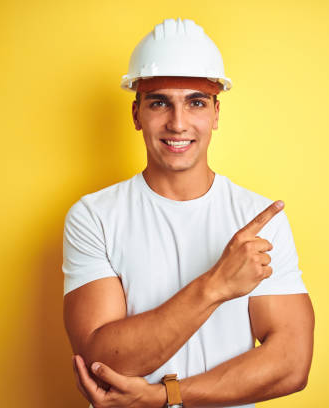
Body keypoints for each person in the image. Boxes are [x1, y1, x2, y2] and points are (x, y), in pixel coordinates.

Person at [63, 18, 315, 408]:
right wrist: (216, 285)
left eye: (195, 102)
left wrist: (167, 397)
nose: (177, 123)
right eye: (159, 102)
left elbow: (292, 362)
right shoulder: (93, 217)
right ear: (136, 115)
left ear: (216, 113)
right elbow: (102, 360)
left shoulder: (258, 218)